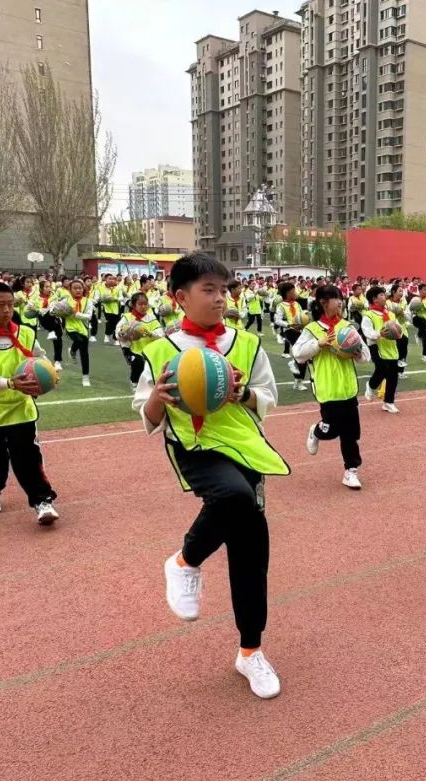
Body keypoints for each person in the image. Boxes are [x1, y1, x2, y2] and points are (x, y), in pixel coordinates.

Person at [134, 252, 289, 699]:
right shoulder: (159, 350)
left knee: (251, 555)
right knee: (233, 496)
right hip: (197, 448)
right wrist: (160, 399)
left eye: (224, 289)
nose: (221, 298)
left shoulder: (246, 342)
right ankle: (185, 560)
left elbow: (268, 397)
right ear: (180, 297)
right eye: (209, 290)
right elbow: (146, 417)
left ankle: (250, 652)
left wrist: (242, 394)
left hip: (245, 447)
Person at [0, 281, 59, 524]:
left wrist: (48, 374)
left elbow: (40, 358)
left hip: (21, 409)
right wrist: (10, 383)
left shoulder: (24, 332)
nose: (7, 310)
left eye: (11, 304)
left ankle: (42, 500)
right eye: (0, 305)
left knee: (28, 458)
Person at [293, 284, 372, 489]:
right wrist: (318, 344)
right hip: (327, 390)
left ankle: (351, 470)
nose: (340, 302)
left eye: (340, 298)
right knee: (331, 430)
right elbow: (298, 354)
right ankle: (317, 431)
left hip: (348, 389)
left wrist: (358, 354)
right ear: (323, 302)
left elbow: (366, 356)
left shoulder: (348, 327)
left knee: (350, 434)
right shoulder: (312, 329)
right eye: (336, 298)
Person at [361, 285, 401, 414]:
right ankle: (371, 385)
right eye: (382, 295)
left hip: (391, 347)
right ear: (374, 299)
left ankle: (388, 402)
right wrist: (379, 334)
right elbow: (367, 332)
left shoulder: (390, 314)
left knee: (393, 376)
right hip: (376, 346)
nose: (385, 297)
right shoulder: (368, 315)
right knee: (382, 368)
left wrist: (399, 333)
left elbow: (398, 327)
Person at [117, 292, 164, 389]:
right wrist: (124, 334)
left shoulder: (151, 317)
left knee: (150, 367)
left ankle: (148, 382)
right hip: (130, 349)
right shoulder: (126, 317)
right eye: (140, 304)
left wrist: (148, 333)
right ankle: (134, 381)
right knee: (138, 361)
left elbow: (161, 334)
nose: (143, 306)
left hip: (149, 349)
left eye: (145, 304)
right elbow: (118, 332)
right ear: (134, 305)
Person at [62, 279, 94, 386]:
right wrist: (57, 311)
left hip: (83, 328)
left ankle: (85, 376)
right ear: (70, 290)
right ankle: (73, 350)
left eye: (80, 288)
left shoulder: (88, 301)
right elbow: (55, 309)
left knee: (85, 353)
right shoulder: (66, 301)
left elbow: (88, 316)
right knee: (79, 339)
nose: (78, 290)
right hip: (70, 328)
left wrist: (76, 314)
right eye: (75, 288)